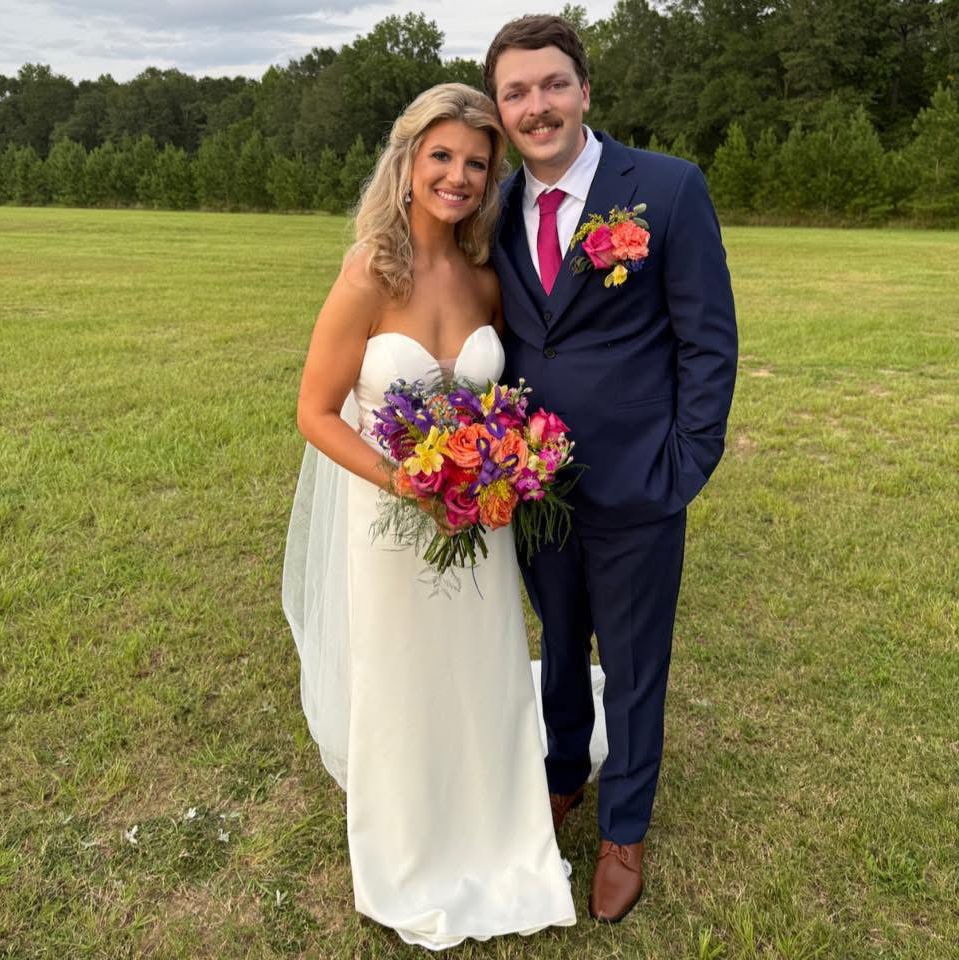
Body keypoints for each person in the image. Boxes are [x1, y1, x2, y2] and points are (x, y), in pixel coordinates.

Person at [281, 83, 576, 950]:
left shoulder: (486, 280)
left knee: (482, 668)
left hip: (480, 524)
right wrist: (407, 484)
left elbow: (506, 393)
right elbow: (315, 412)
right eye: (441, 156)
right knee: (405, 677)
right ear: (408, 162)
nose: (458, 176)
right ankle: (413, 848)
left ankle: (500, 826)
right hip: (392, 525)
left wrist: (508, 460)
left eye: (476, 164)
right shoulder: (369, 274)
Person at [484, 15, 738, 923]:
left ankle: (624, 828)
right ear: (500, 110)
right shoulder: (493, 209)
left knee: (632, 665)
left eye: (553, 84)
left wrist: (684, 463)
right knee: (559, 646)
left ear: (584, 90)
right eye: (516, 92)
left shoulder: (665, 189)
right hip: (534, 489)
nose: (537, 105)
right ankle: (562, 774)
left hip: (640, 482)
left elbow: (708, 342)